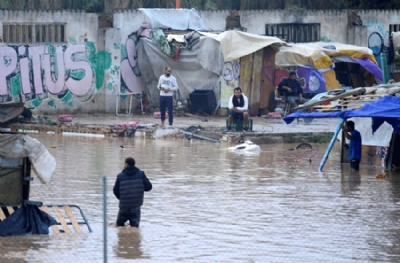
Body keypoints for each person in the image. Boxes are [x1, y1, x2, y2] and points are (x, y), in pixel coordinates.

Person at [113, 157, 152, 227]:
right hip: (135, 207)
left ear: (126, 164)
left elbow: (115, 190)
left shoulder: (120, 176)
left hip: (123, 207)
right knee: (135, 228)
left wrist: (122, 198)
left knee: (119, 226)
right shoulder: (141, 174)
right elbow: (149, 187)